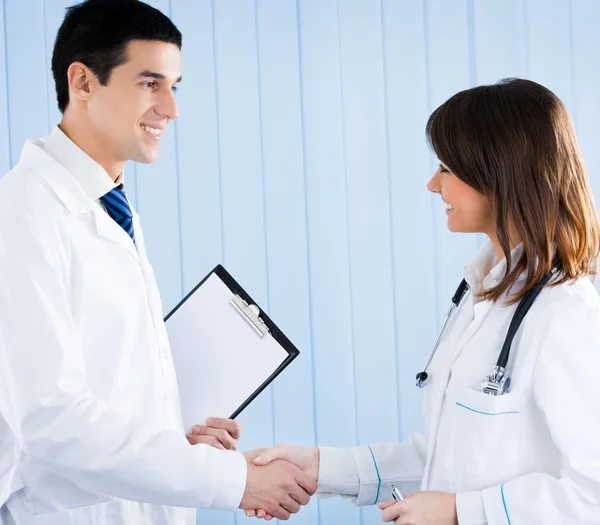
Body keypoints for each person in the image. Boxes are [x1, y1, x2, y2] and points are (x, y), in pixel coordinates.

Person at [0, 1, 315, 523]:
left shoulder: (107, 202)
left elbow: (110, 377)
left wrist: (179, 433)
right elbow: (50, 419)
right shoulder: (22, 212)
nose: (171, 109)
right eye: (150, 84)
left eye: (175, 86)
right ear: (82, 81)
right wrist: (233, 481)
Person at [246, 78, 600, 524]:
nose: (433, 185)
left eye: (447, 169)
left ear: (499, 172)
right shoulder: (480, 296)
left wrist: (461, 511)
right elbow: (450, 459)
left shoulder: (566, 316)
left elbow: (593, 490)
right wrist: (319, 468)